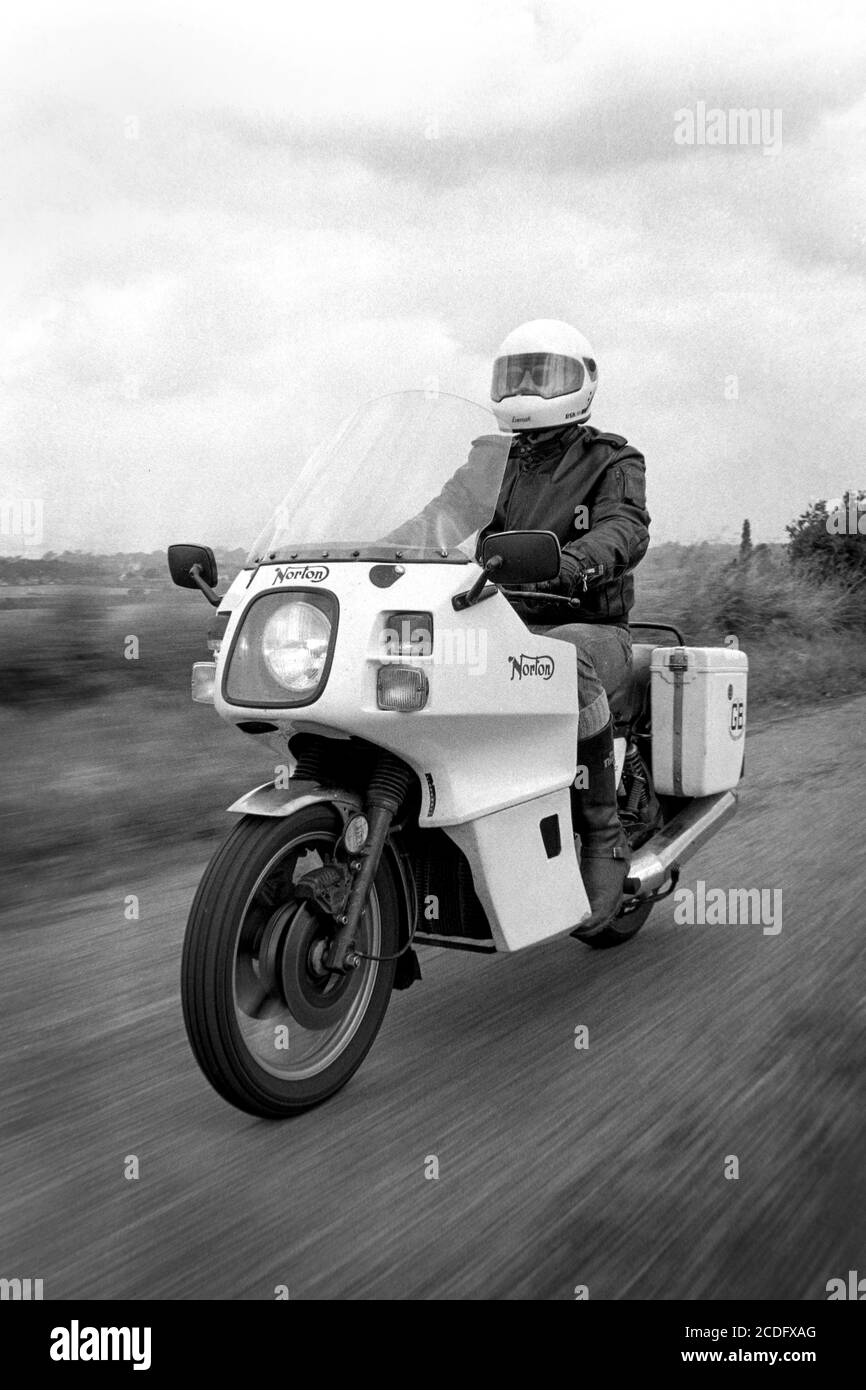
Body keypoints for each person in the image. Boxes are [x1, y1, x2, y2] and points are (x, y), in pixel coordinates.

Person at [390, 319, 651, 937]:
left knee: (563, 660)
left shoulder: (610, 458)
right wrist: (374, 552)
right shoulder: (491, 458)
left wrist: (575, 561)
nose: (529, 386)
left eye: (545, 373)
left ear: (582, 381)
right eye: (519, 374)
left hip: (588, 628)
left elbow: (625, 527)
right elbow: (442, 517)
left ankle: (603, 831)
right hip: (497, 621)